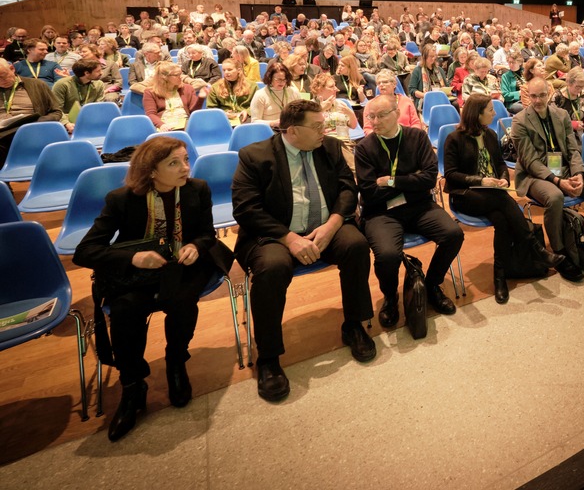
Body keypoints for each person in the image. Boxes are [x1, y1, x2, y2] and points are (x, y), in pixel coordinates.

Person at [73, 138, 229, 441]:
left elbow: (207, 234)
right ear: (152, 171)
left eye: (186, 159)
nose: (185, 168)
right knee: (124, 309)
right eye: (174, 163)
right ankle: (132, 385)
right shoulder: (122, 199)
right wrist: (134, 257)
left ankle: (176, 362)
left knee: (182, 300)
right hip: (141, 271)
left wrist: (196, 246)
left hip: (184, 266)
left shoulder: (198, 189)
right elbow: (85, 251)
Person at [232, 100, 376, 402]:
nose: (325, 130)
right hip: (275, 235)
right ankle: (269, 357)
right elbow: (246, 210)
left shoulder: (331, 148)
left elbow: (349, 189)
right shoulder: (255, 156)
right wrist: (289, 239)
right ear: (293, 131)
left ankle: (354, 325)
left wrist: (333, 224)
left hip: (325, 227)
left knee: (356, 245)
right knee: (272, 268)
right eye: (317, 126)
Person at [443, 94, 565, 304]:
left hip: (492, 195)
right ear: (477, 114)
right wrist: (481, 181)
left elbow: (500, 164)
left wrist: (500, 178)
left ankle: (500, 276)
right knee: (503, 203)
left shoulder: (490, 134)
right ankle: (535, 249)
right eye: (490, 110)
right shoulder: (454, 139)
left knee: (501, 219)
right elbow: (451, 174)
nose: (494, 113)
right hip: (465, 195)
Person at [355, 95, 463, 324]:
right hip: (381, 213)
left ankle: (432, 284)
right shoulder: (364, 148)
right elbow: (369, 193)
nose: (375, 121)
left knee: (453, 234)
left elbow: (429, 179)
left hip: (420, 206)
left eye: (381, 115)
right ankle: (390, 298)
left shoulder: (417, 137)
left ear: (396, 113)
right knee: (387, 256)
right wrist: (412, 180)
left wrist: (391, 181)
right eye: (370, 116)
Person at [512, 77, 584, 280]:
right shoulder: (520, 121)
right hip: (535, 176)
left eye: (542, 95)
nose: (537, 100)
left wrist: (578, 174)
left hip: (566, 170)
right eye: (533, 96)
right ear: (528, 96)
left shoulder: (561, 115)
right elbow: (530, 161)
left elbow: (573, 149)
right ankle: (560, 254)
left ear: (549, 93)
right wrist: (558, 181)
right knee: (555, 197)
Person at [144, 62, 203, 132]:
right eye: (177, 75)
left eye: (180, 73)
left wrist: (200, 98)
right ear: (164, 77)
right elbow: (151, 114)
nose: (181, 77)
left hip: (185, 122)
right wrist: (161, 125)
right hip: (164, 124)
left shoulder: (187, 88)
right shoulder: (150, 92)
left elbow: (194, 112)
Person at [51, 57, 105, 133]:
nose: (101, 73)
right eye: (98, 71)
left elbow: (98, 107)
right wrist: (66, 123)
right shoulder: (62, 84)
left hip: (89, 120)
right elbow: (56, 109)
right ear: (86, 73)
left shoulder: (99, 84)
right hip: (67, 121)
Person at [250, 62, 303, 127]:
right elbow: (254, 121)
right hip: (270, 131)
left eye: (284, 79)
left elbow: (301, 113)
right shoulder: (260, 95)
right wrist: (272, 123)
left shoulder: (293, 91)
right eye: (278, 80)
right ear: (270, 78)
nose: (282, 83)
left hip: (290, 129)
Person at [208, 59, 256, 124]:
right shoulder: (215, 87)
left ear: (238, 70)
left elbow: (257, 105)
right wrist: (222, 113)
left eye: (230, 69)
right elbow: (211, 107)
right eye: (224, 70)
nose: (226, 72)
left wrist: (247, 111)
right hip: (223, 117)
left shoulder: (252, 85)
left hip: (244, 116)